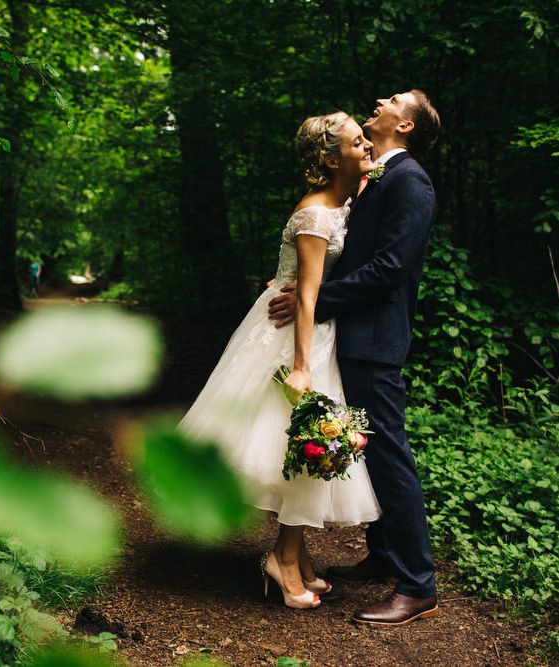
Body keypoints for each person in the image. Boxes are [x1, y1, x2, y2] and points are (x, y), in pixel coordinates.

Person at [179, 112, 381, 610]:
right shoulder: (316, 215)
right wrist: (302, 366)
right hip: (296, 337)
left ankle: (297, 555)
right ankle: (283, 561)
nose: (368, 147)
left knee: (304, 449)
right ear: (333, 160)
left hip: (315, 332)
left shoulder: (345, 200)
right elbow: (307, 297)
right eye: (359, 143)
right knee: (303, 446)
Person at [268, 90, 441, 625]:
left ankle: (418, 584)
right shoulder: (374, 176)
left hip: (374, 338)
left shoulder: (410, 180)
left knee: (387, 452)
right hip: (349, 334)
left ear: (406, 125)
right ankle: (385, 555)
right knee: (368, 446)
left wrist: (312, 301)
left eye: (393, 100)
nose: (380, 101)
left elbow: (388, 268)